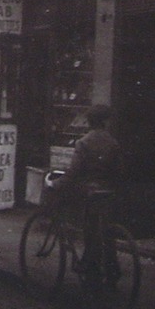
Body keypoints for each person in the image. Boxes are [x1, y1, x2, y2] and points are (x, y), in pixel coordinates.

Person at [52, 103, 125, 283]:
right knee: (106, 232)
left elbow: (73, 172)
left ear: (90, 121)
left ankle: (90, 265)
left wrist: (56, 184)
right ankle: (111, 269)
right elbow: (118, 171)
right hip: (107, 192)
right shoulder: (113, 142)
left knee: (89, 228)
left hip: (88, 192)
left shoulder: (84, 142)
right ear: (106, 122)